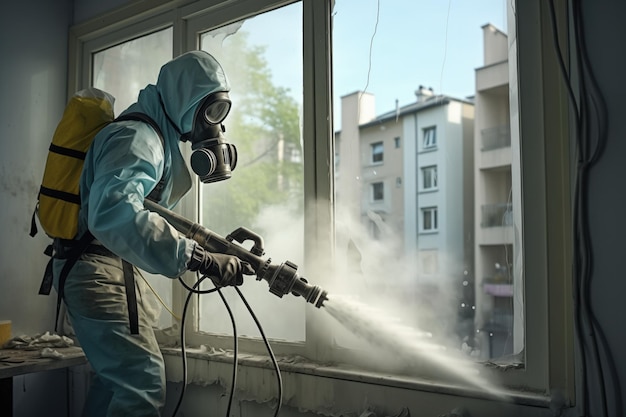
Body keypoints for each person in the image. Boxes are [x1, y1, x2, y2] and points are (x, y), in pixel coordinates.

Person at [52, 50, 254, 417]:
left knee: (116, 383)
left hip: (103, 271)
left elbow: (150, 214)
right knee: (141, 382)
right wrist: (199, 258)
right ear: (182, 99)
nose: (216, 127)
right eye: (210, 112)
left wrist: (217, 248)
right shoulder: (138, 137)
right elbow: (114, 213)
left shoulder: (156, 138)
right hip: (96, 272)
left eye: (220, 114)